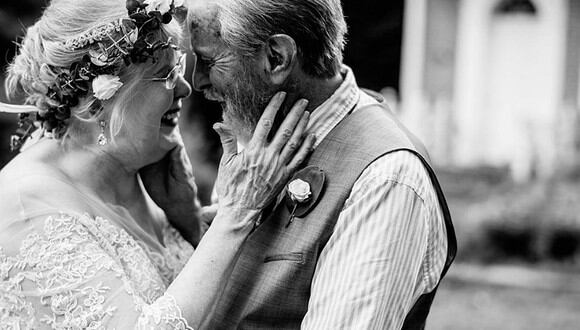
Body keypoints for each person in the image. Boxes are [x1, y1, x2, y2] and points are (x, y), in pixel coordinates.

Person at [0, 0, 315, 328]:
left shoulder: (145, 168)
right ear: (96, 106)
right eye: (165, 75)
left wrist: (189, 222)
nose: (185, 87)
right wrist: (235, 216)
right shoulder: (28, 209)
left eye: (178, 67)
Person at [175, 0, 458, 328]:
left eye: (209, 60)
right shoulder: (258, 138)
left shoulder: (386, 178)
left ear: (276, 57)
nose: (197, 81)